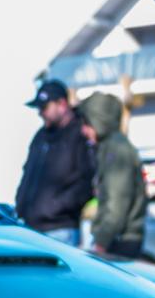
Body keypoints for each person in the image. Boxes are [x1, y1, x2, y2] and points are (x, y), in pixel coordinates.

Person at [15, 77, 95, 245]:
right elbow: (27, 175)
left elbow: (86, 183)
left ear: (62, 104)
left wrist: (55, 207)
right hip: (31, 228)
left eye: (44, 107)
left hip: (61, 230)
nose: (40, 113)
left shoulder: (80, 135)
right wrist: (20, 204)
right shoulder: (40, 137)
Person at [79, 91, 147, 258]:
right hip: (117, 238)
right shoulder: (109, 147)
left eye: (87, 124)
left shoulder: (116, 151)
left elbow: (117, 202)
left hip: (120, 241)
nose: (83, 130)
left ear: (99, 121)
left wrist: (102, 241)